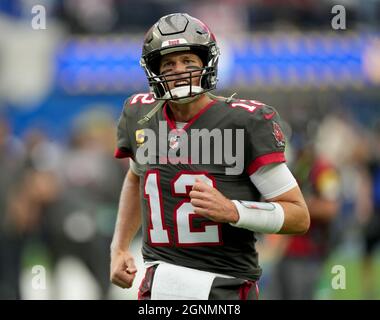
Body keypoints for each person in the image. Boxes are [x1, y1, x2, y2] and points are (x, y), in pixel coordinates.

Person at [110, 13, 310, 300]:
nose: (179, 70)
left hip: (224, 284)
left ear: (207, 64)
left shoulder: (245, 121)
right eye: (168, 63)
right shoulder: (140, 114)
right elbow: (136, 177)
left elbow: (299, 216)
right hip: (158, 281)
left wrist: (234, 210)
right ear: (155, 70)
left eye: (188, 61)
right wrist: (119, 248)